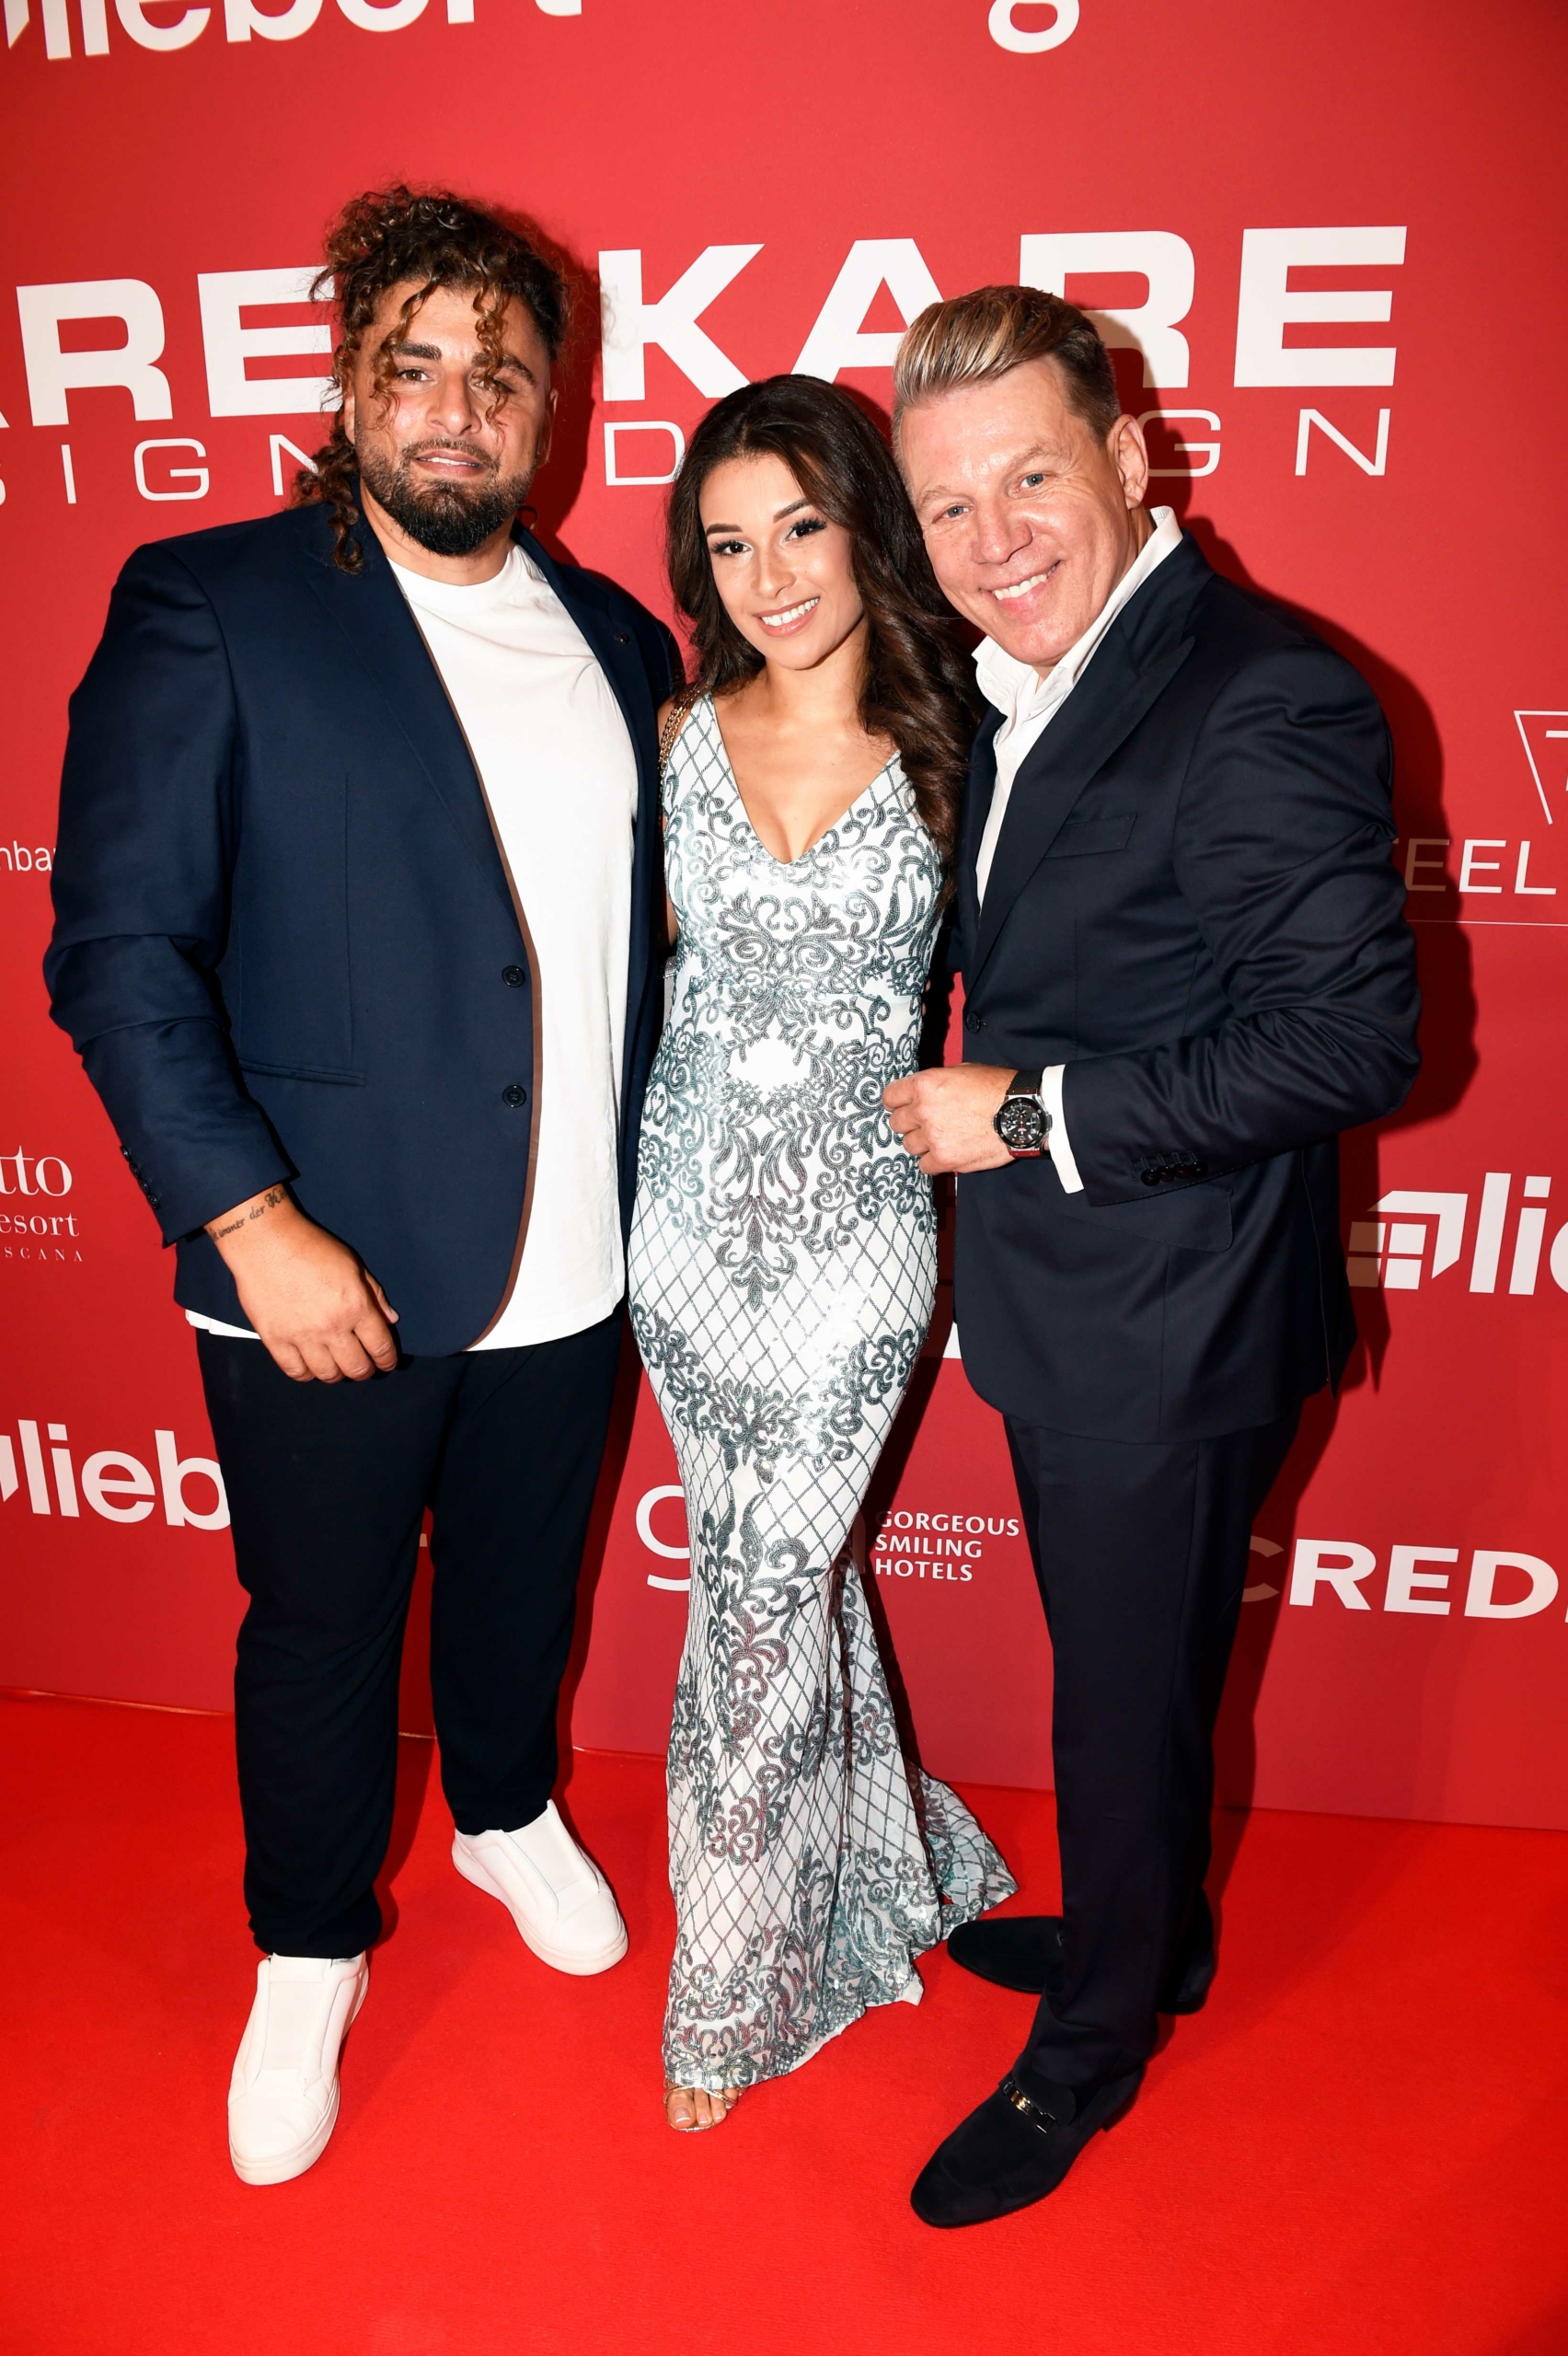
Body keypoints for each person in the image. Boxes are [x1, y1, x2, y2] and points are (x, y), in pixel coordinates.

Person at [45, 186, 679, 2186]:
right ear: (346, 384)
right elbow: (119, 949)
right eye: (416, 364)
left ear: (554, 411)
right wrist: (253, 1222)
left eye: (504, 373)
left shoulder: (620, 637)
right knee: (321, 1625)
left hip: (577, 1251)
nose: (459, 407)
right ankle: (310, 1944)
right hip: (320, 1258)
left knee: (516, 1579)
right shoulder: (213, 601)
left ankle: (501, 1811)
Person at [882, 288, 1421, 2226]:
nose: (994, 538)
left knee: (1118, 1695)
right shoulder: (1032, 677)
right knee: (1142, 1672)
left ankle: (1094, 2042)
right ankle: (1153, 1929)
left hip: (1170, 1322)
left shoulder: (1257, 689)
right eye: (948, 507)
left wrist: (1028, 1113)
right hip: (1091, 1304)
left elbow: (1352, 1041)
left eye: (1031, 478)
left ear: (1126, 459)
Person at [628, 376, 1015, 2134]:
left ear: (867, 525)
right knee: (758, 1572)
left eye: (800, 526)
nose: (771, 575)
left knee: (765, 1591)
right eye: (729, 544)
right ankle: (868, 1856)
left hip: (857, 1241)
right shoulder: (674, 740)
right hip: (685, 1234)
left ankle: (730, 1979)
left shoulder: (964, 740)